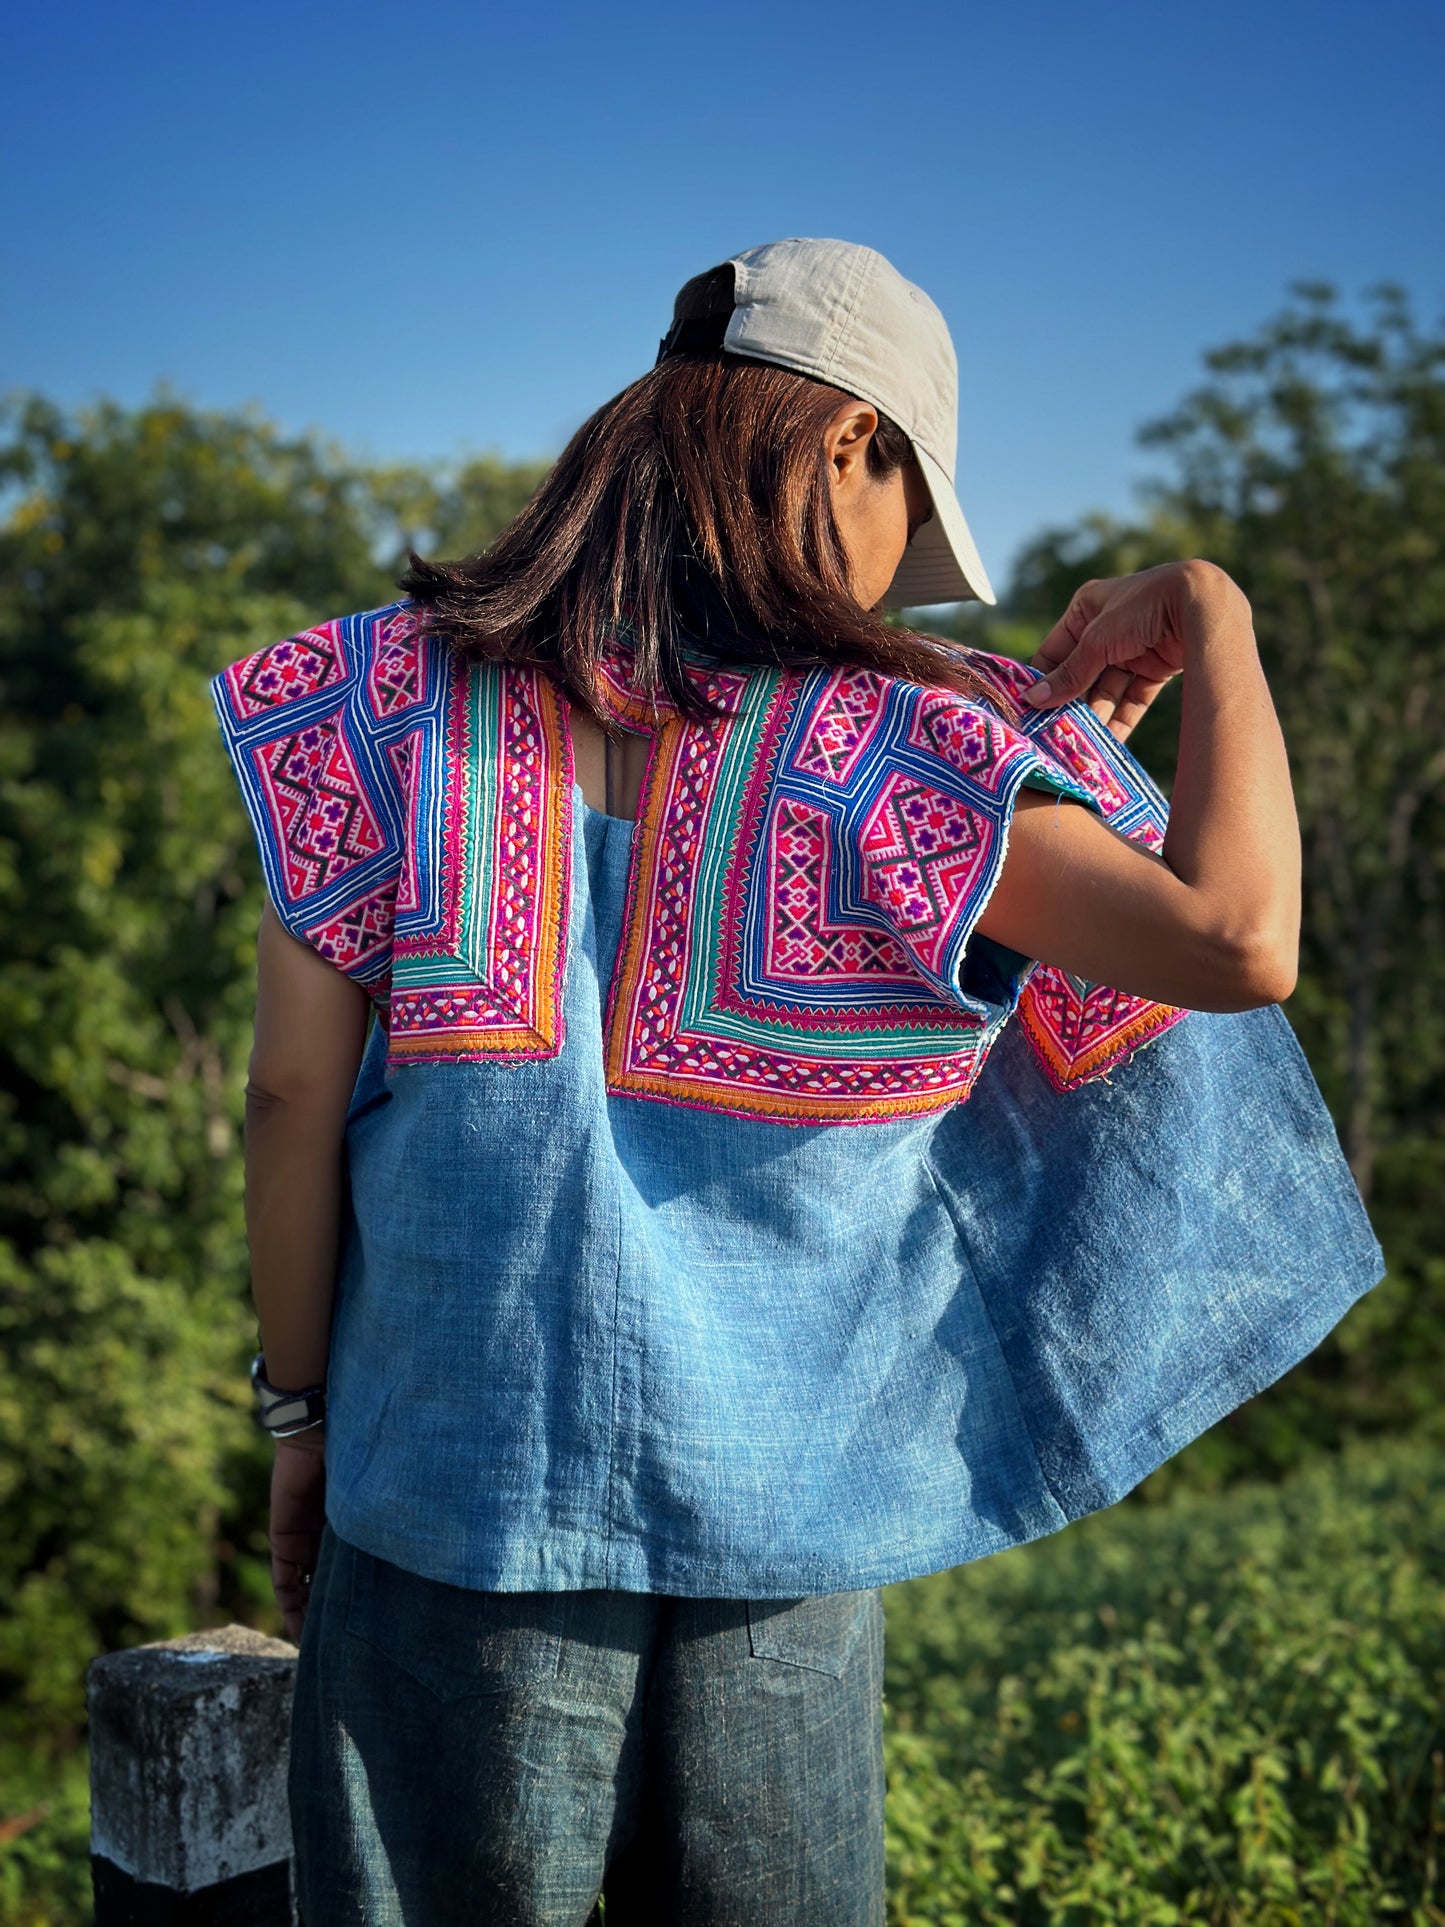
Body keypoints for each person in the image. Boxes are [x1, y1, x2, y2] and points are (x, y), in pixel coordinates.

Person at [214, 238, 1380, 1926]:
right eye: (915, 509)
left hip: (448, 1500)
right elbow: (1237, 935)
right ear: (851, 444)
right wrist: (1213, 614)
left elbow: (286, 1101)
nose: (903, 576)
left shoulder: (377, 705)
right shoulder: (912, 745)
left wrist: (301, 1418)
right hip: (788, 1534)